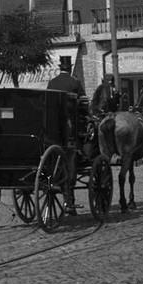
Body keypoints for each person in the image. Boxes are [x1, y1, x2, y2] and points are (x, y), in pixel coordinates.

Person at [46, 58, 84, 213]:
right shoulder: (75, 83)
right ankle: (81, 151)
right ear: (70, 68)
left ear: (60, 68)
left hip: (51, 128)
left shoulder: (52, 83)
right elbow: (83, 103)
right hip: (69, 128)